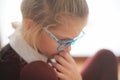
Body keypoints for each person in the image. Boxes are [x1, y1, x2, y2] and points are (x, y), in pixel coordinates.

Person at [0, 0, 118, 80]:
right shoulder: (11, 69)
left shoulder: (37, 39)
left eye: (73, 40)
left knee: (106, 57)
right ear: (31, 26)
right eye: (63, 40)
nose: (69, 49)